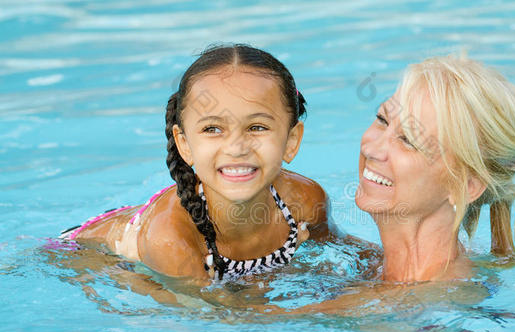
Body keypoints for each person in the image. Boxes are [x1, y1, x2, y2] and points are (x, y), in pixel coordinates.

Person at [60, 44, 329, 282]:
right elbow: (220, 323)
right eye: (213, 129)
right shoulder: (170, 239)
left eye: (257, 127)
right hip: (85, 260)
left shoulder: (304, 201)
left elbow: (345, 256)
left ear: (291, 140)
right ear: (185, 144)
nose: (236, 148)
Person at [356, 54, 515, 283]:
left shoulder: (416, 307)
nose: (373, 149)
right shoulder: (378, 268)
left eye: (408, 140)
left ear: (468, 185)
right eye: (382, 119)